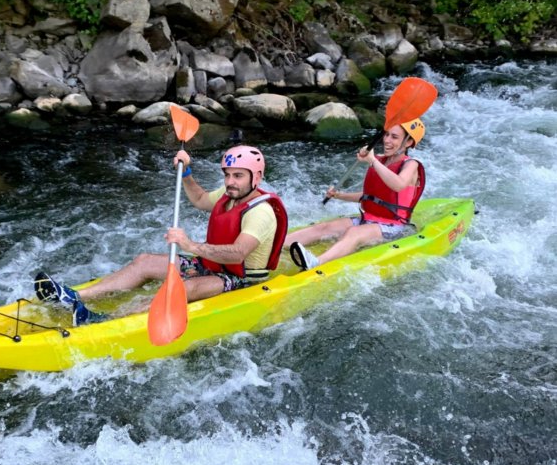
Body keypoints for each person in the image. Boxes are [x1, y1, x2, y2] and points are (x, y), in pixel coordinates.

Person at [35, 145, 289, 325]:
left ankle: (105, 323)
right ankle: (73, 296)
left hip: (241, 280)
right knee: (145, 261)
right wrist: (186, 173)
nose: (230, 181)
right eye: (227, 174)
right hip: (210, 264)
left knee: (177, 290)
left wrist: (190, 244)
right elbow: (200, 199)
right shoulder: (230, 194)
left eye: (238, 176)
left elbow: (238, 254)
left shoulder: (261, 212)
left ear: (256, 177)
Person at [287, 119, 426, 271]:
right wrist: (339, 195)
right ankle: (276, 245)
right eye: (386, 135)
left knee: (354, 233)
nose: (387, 140)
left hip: (394, 226)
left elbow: (398, 184)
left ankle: (316, 263)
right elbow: (370, 196)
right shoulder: (381, 160)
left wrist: (372, 160)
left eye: (394, 137)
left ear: (408, 142)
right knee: (324, 227)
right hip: (367, 218)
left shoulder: (411, 164)